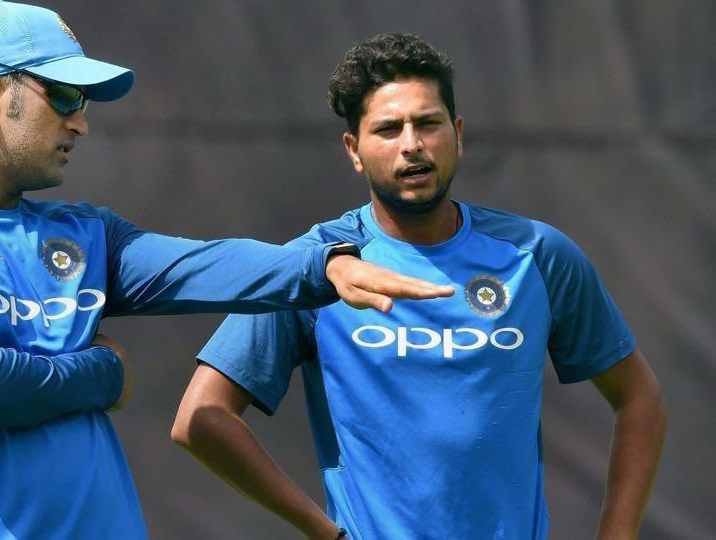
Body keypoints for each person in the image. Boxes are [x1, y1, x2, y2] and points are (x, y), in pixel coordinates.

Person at [0, 4, 454, 539]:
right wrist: (105, 372)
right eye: (64, 95)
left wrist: (324, 266)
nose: (80, 121)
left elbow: (200, 264)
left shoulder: (82, 232)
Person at [172, 33, 668, 539]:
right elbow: (200, 418)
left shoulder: (537, 256)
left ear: (458, 133)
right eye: (388, 129)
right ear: (354, 150)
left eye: (428, 123)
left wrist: (618, 531)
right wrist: (323, 532)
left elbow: (639, 398)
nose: (412, 144)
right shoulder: (317, 265)